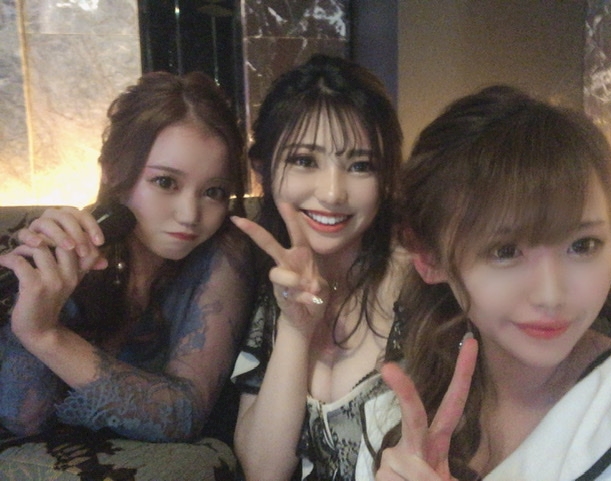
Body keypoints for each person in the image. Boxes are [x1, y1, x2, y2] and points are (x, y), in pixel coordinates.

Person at [372, 85, 611, 480]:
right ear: (430, 258)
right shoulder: (398, 418)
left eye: (583, 245)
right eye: (505, 251)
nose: (551, 295)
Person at [0, 71, 253, 449]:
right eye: (165, 182)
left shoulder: (223, 254)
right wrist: (38, 305)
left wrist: (46, 336)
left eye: (213, 191)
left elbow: (181, 416)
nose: (190, 215)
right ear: (114, 173)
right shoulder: (73, 247)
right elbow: (22, 416)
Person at [230, 54, 409, 481]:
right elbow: (263, 471)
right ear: (263, 169)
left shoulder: (422, 287)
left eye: (361, 166)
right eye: (305, 160)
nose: (332, 193)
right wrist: (296, 328)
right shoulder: (269, 285)